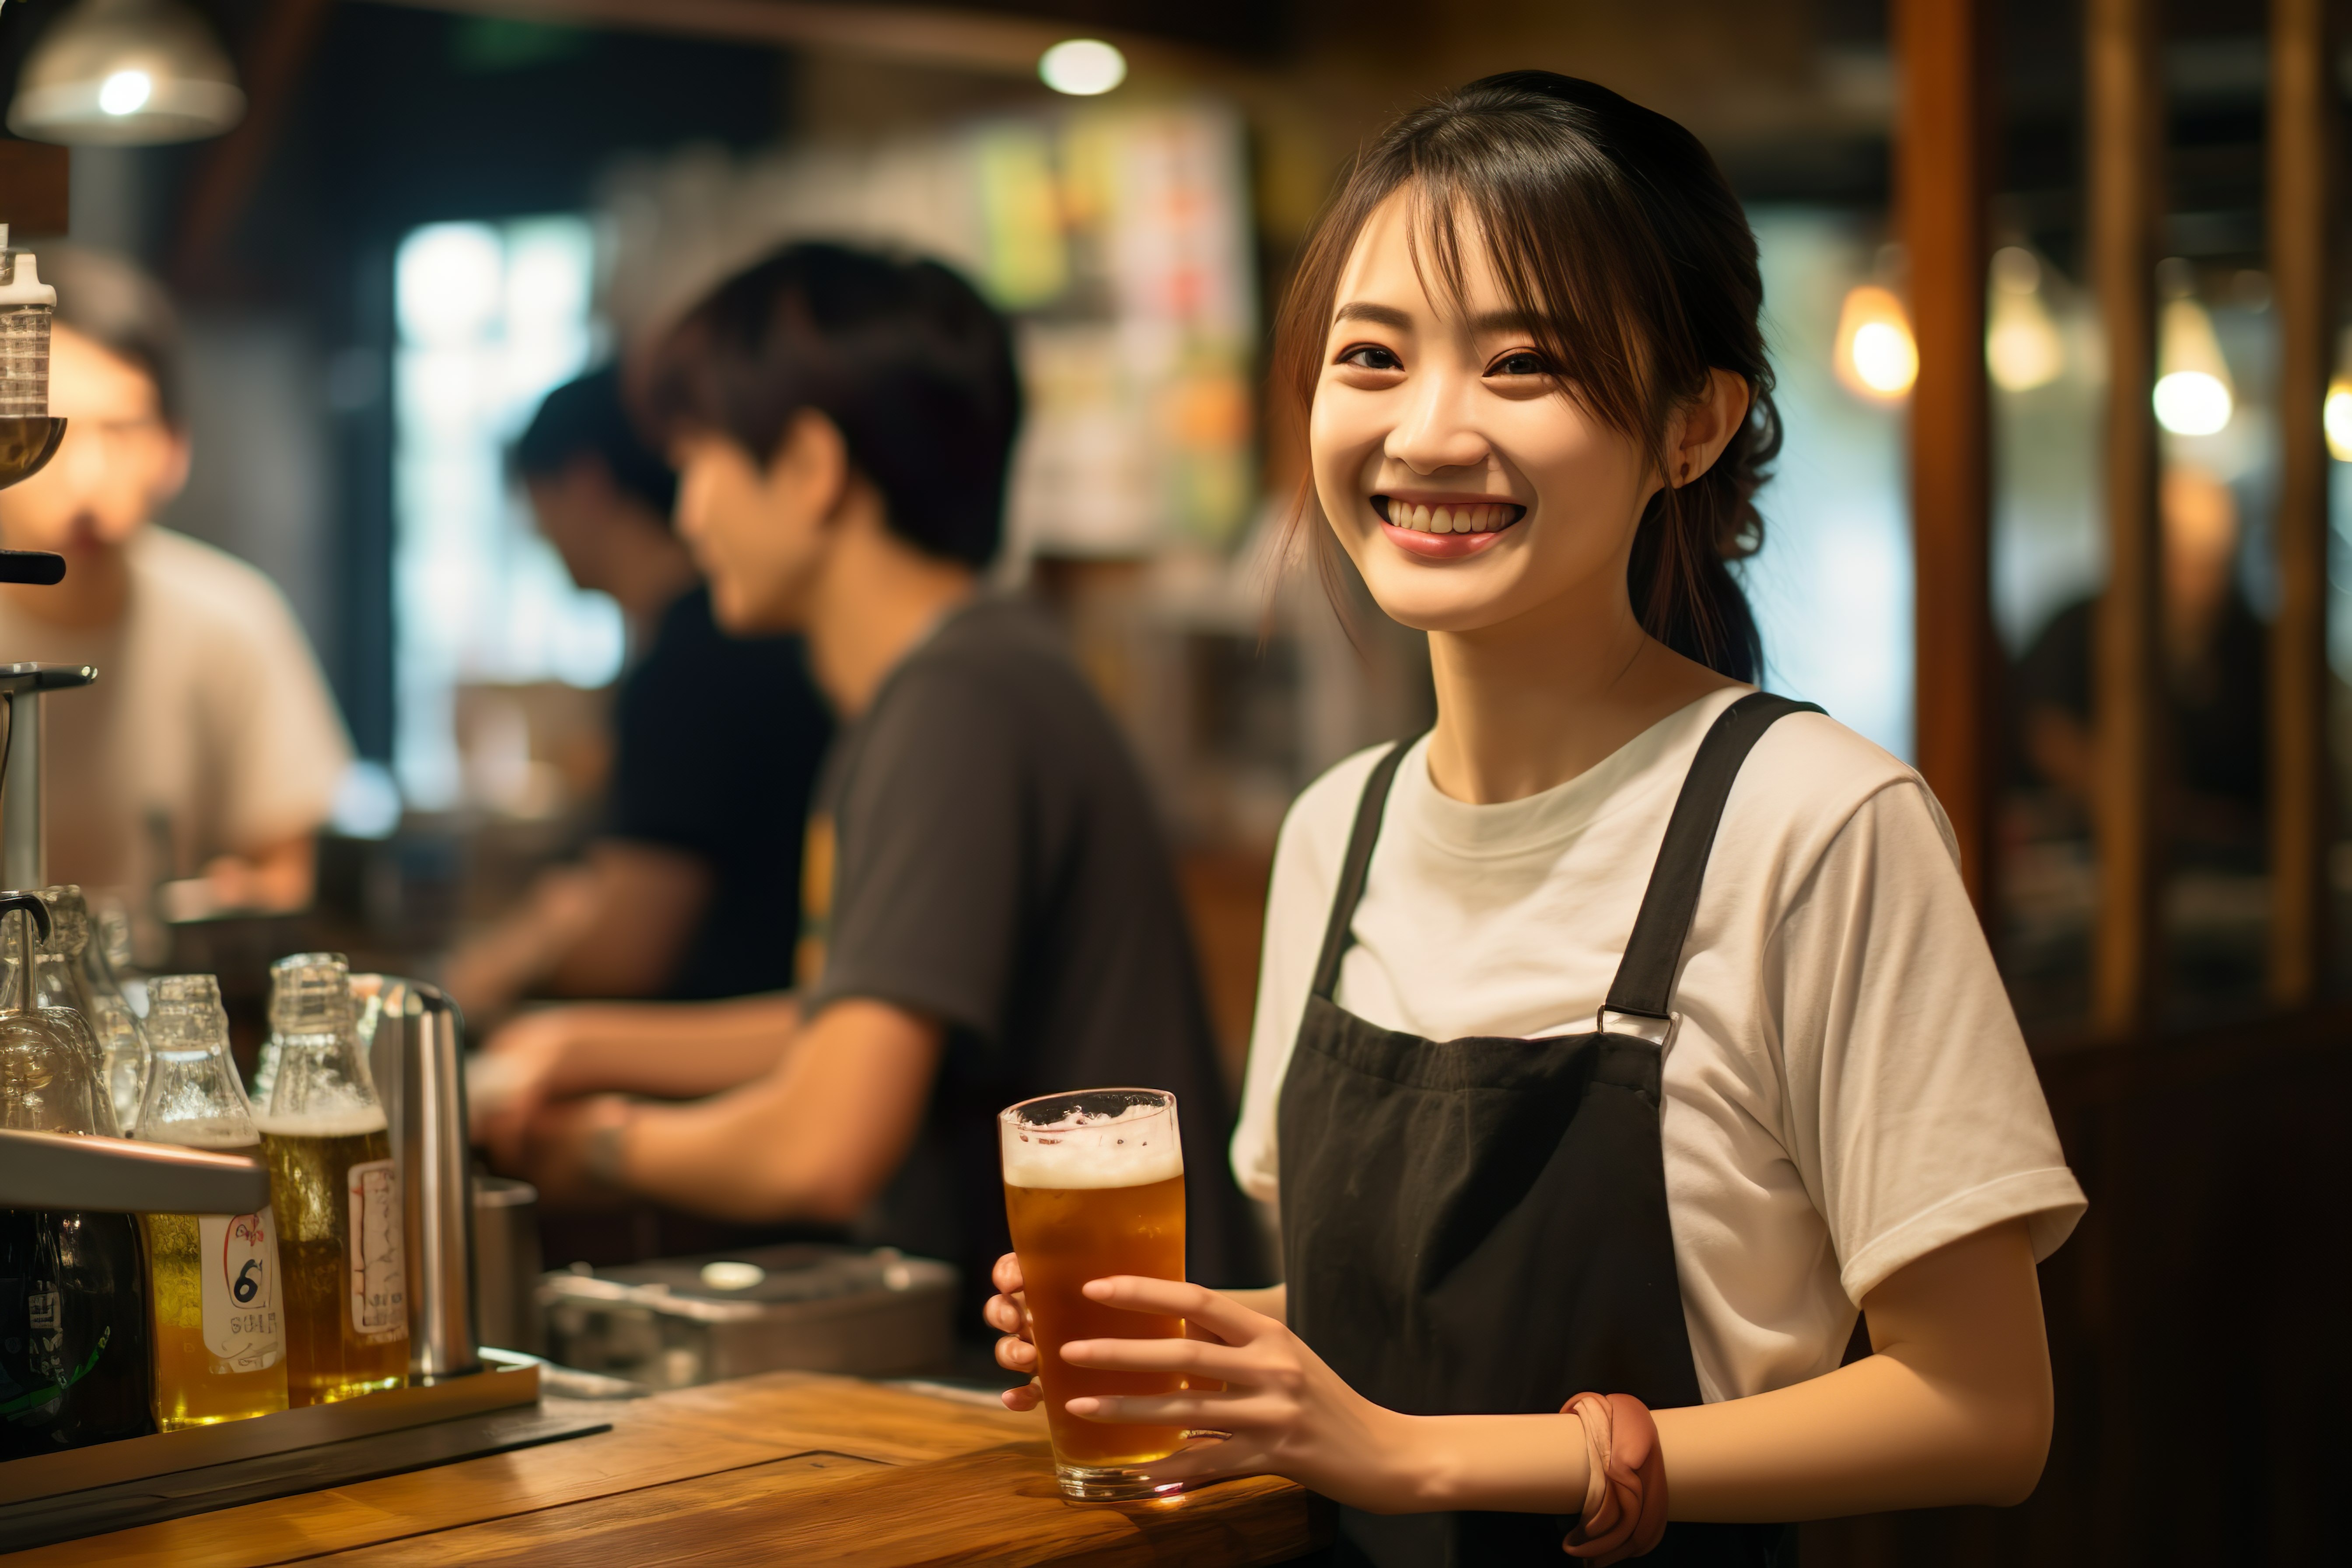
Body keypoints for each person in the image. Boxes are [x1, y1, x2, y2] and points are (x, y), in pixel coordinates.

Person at [984, 73, 2085, 1564]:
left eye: (1522, 367)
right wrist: (1195, 1348)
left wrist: (1411, 1456)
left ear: (1691, 426)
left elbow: (1979, 1410)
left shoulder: (1813, 821)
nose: (1426, 433)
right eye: (1370, 356)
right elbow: (1393, 1313)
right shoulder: (1336, 831)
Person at [474, 242, 1258, 1309]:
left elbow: (822, 1141)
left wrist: (594, 1147)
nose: (690, 511)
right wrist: (588, 1041)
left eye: (703, 458)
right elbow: (856, 1021)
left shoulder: (955, 704)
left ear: (809, 468)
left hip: (1097, 1389)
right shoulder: (963, 676)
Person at [441, 368, 831, 1021]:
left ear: (585, 483)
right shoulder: (716, 644)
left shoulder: (694, 660)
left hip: (721, 1048)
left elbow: (629, 950)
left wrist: (517, 957)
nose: (692, 509)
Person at [0, 246, 349, 921]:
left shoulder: (232, 619)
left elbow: (287, 865)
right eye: (51, 432)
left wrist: (233, 900)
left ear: (174, 446)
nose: (87, 479)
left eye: (122, 430)